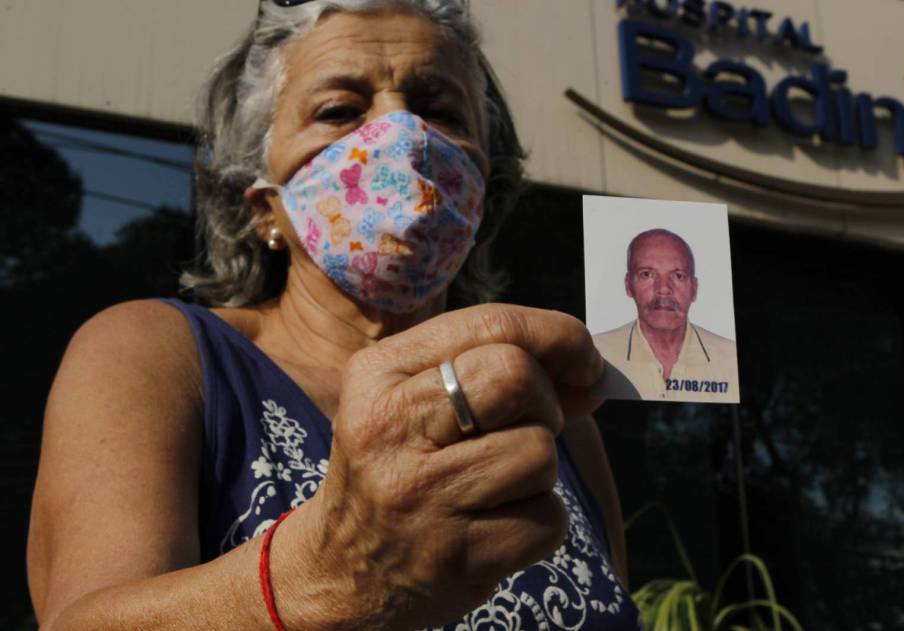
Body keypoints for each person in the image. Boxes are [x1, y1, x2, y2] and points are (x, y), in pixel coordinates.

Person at [26, 1, 642, 629]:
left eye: (440, 111)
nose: (403, 135)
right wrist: (329, 576)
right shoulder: (158, 355)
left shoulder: (548, 416)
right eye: (340, 112)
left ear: (483, 189)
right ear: (266, 209)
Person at [593, 229, 739, 403]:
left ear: (694, 289)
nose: (663, 288)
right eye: (647, 274)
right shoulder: (597, 352)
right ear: (628, 285)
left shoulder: (730, 358)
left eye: (678, 276)